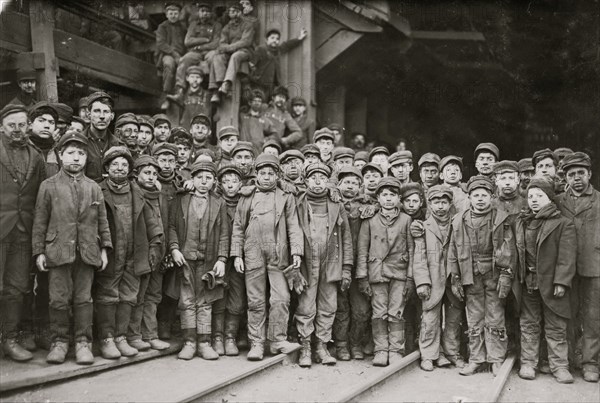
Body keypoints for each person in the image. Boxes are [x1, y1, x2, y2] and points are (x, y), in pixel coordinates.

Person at [32, 131, 112, 365]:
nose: (76, 158)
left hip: (87, 253)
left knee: (83, 299)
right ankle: (59, 342)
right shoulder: (48, 186)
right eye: (70, 153)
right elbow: (39, 221)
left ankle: (82, 343)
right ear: (60, 155)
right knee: (58, 300)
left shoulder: (94, 188)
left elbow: (103, 222)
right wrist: (39, 251)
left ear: (87, 158)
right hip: (58, 251)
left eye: (81, 153)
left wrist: (104, 249)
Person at [230, 153, 303, 361]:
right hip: (252, 251)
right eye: (262, 173)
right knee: (255, 301)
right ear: (256, 175)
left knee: (281, 298)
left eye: (271, 173)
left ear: (277, 175)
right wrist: (237, 254)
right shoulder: (246, 197)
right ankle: (257, 343)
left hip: (278, 253)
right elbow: (237, 227)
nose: (267, 177)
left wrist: (296, 250)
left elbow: (293, 225)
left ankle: (277, 340)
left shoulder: (285, 197)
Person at [95, 147, 163, 359]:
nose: (119, 168)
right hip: (112, 252)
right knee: (108, 295)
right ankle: (106, 339)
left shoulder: (137, 192)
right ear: (106, 168)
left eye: (124, 164)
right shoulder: (98, 190)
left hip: (134, 252)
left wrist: (155, 243)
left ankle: (121, 337)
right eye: (114, 164)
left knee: (129, 296)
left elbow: (151, 222)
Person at [448, 175, 516, 376]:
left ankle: (496, 359)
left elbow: (508, 248)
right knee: (474, 317)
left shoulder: (501, 218)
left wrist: (505, 275)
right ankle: (476, 359)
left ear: (491, 196)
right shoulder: (459, 220)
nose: (480, 199)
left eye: (484, 195)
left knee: (495, 316)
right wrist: (456, 278)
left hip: (493, 275)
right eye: (475, 195)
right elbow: (453, 250)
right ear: (469, 197)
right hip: (471, 275)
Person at [515, 176, 576, 384]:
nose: (533, 200)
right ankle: (528, 363)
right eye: (530, 196)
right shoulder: (523, 222)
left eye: (539, 196)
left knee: (556, 324)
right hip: (528, 281)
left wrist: (561, 282)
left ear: (550, 198)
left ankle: (559, 366)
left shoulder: (562, 223)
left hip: (551, 283)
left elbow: (567, 257)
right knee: (529, 323)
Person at [169, 161, 230, 360]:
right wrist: (174, 249)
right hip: (185, 259)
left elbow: (223, 235)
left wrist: (221, 259)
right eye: (199, 177)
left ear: (214, 181)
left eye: (209, 178)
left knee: (205, 301)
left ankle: (204, 342)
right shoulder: (180, 200)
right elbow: (171, 227)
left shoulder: (219, 202)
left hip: (208, 260)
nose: (204, 182)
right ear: (192, 179)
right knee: (186, 300)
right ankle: (189, 342)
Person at [295, 162, 353, 367]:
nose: (318, 182)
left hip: (331, 263)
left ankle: (321, 346)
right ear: (306, 180)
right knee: (306, 304)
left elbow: (346, 238)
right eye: (313, 178)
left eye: (322, 178)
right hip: (306, 263)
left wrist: (346, 268)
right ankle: (305, 347)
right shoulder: (298, 202)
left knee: (329, 305)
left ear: (328, 182)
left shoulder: (337, 204)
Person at [0, 104, 47, 362]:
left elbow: (39, 196)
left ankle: (9, 339)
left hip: (23, 231)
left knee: (17, 287)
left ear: (28, 126)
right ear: (1, 127)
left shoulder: (36, 155)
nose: (17, 130)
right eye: (11, 125)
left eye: (21, 125)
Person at [356, 176, 414, 367]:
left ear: (399, 198)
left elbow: (413, 250)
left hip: (399, 271)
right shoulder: (369, 220)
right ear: (378, 198)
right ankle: (381, 349)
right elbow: (362, 249)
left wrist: (410, 278)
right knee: (379, 312)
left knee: (396, 312)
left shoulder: (406, 219)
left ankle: (396, 349)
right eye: (384, 195)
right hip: (377, 272)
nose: (388, 199)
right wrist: (362, 276)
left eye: (392, 195)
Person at [556, 152, 600, 383]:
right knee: (568, 315)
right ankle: (570, 360)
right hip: (566, 270)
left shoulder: (599, 200)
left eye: (580, 173)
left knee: (593, 317)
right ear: (565, 178)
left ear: (589, 174)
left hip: (594, 268)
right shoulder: (558, 201)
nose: (576, 179)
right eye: (571, 175)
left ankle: (591, 363)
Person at [413, 185, 456, 371]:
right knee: (430, 318)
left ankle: (451, 353)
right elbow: (419, 257)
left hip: (453, 279)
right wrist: (422, 282)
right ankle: (429, 355)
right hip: (432, 279)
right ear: (429, 204)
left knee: (454, 318)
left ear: (450, 203)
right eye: (436, 202)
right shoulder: (423, 227)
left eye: (444, 202)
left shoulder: (457, 223)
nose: (440, 206)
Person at [334, 166, 372, 360]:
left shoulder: (367, 205)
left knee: (361, 311)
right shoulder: (331, 202)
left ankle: (355, 342)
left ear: (360, 186)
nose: (350, 187)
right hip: (337, 264)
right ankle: (341, 345)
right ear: (339, 184)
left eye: (354, 183)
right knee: (340, 308)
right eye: (346, 182)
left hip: (360, 266)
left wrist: (373, 207)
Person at [212, 164, 246, 356]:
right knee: (218, 295)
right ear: (220, 184)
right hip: (218, 256)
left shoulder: (245, 202)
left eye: (234, 182)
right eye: (226, 182)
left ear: (241, 183)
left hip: (240, 258)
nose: (230, 186)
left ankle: (230, 336)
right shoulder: (215, 202)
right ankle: (217, 336)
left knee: (237, 297)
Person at [169, 3, 222, 104]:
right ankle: (180, 91)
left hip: (209, 51)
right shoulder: (193, 24)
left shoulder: (217, 25)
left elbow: (216, 43)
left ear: (211, 13)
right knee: (184, 59)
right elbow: (187, 41)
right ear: (199, 12)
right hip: (195, 52)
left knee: (214, 58)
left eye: (207, 11)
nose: (205, 14)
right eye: (202, 11)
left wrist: (200, 45)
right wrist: (205, 39)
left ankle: (215, 90)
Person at [208, 3, 256, 104]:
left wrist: (229, 47)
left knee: (235, 56)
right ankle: (216, 89)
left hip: (245, 52)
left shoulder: (248, 25)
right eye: (231, 12)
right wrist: (227, 48)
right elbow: (222, 43)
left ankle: (227, 83)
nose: (233, 14)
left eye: (235, 11)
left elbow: (246, 41)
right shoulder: (227, 27)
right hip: (229, 51)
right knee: (217, 57)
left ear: (240, 12)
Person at [250, 28, 308, 98]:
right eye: (272, 38)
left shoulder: (278, 50)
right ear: (267, 39)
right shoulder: (261, 49)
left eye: (277, 39)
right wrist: (257, 78)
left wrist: (300, 38)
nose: (275, 40)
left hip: (273, 86)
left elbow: (287, 45)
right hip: (260, 85)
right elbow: (251, 64)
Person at [83, 92, 121, 182]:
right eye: (97, 111)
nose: (102, 116)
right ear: (88, 114)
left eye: (106, 112)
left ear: (112, 116)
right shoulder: (79, 141)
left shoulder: (119, 145)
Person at [156, 2, 187, 101]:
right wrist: (174, 53)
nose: (173, 16)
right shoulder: (162, 27)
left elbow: (187, 42)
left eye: (176, 13)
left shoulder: (183, 27)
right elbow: (161, 44)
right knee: (169, 64)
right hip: (167, 54)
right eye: (171, 13)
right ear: (166, 14)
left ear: (179, 14)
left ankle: (182, 93)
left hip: (182, 55)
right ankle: (167, 93)